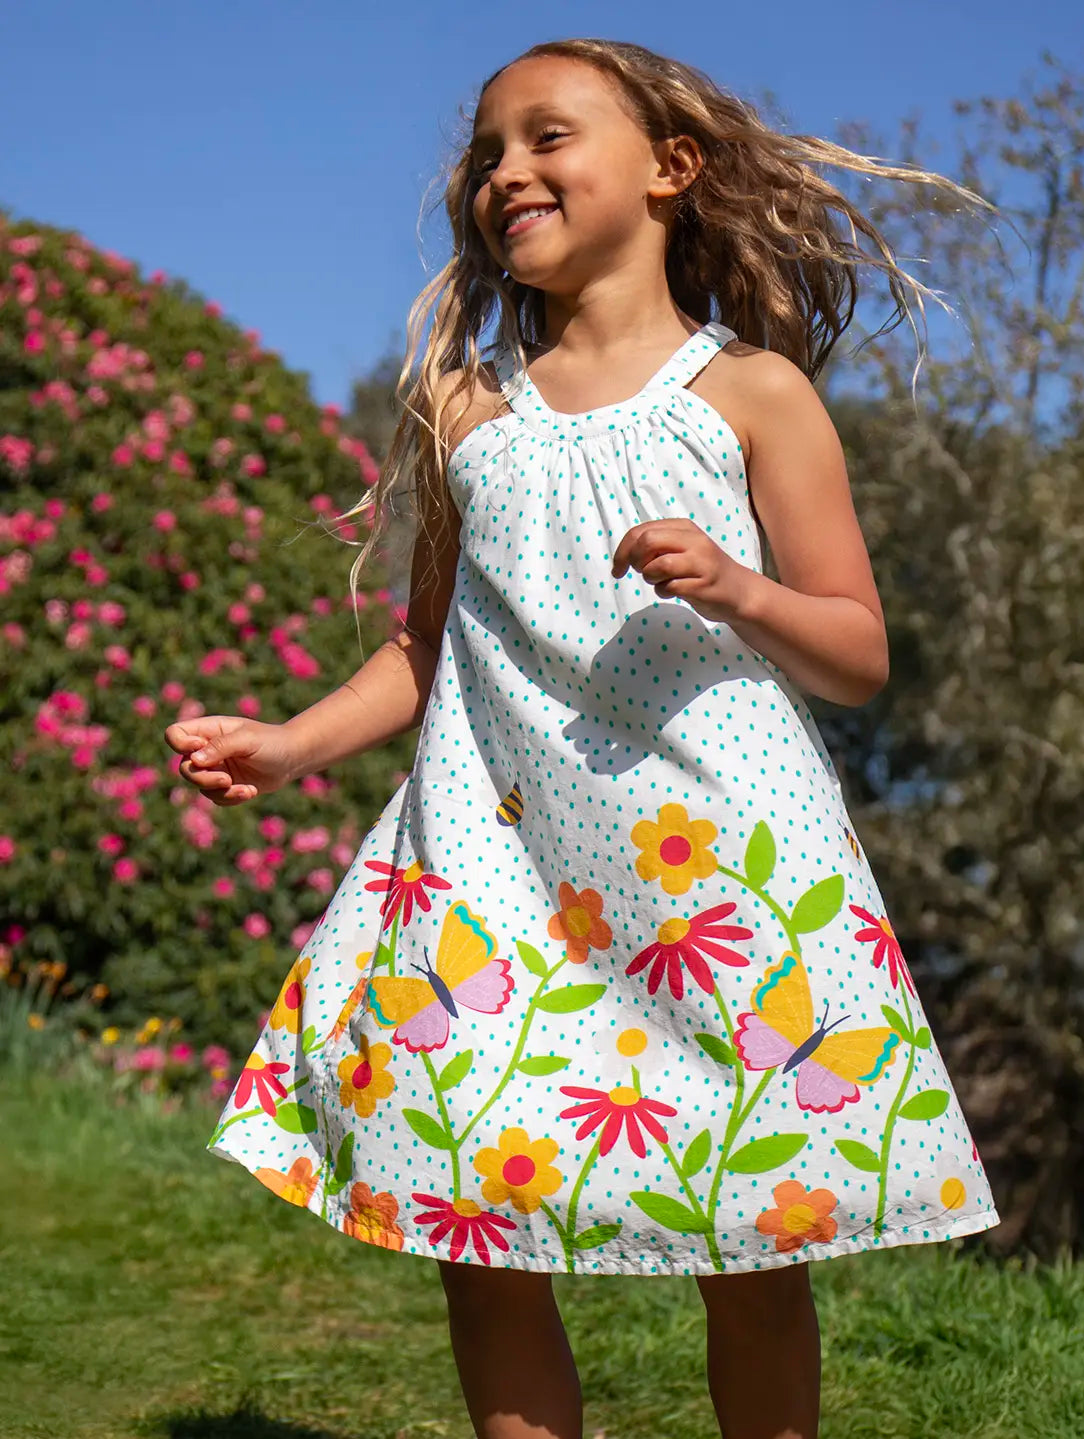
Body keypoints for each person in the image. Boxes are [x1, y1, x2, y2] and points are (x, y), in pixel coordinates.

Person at [165, 37, 1001, 1439]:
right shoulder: (465, 407)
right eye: (487, 154)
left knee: (753, 1236)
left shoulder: (753, 395)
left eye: (546, 138)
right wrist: (291, 744)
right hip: (492, 865)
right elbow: (424, 646)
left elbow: (857, 651)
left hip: (718, 876)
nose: (507, 173)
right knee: (474, 1215)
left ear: (672, 168)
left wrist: (739, 589)